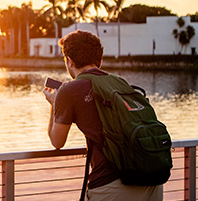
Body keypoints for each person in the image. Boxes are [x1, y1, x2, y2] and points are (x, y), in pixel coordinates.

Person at [43, 30, 163, 201]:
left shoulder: (68, 90)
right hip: (152, 180)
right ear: (100, 60)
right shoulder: (118, 81)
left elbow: (57, 141)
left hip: (113, 185)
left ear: (69, 61)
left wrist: (54, 104)